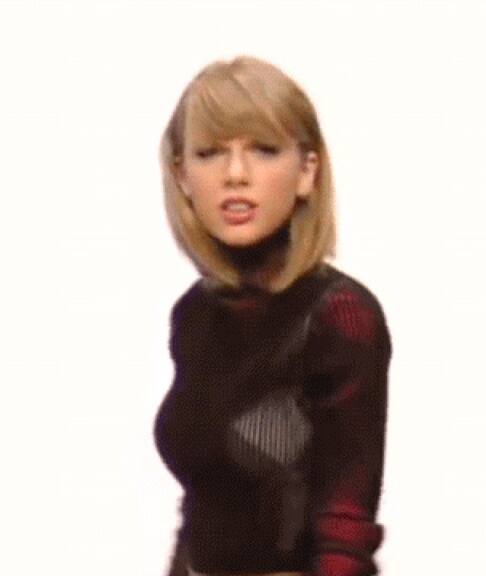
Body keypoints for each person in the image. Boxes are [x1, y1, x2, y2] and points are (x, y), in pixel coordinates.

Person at [153, 55, 393, 576]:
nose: (235, 175)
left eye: (263, 150)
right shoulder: (194, 316)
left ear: (307, 170)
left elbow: (346, 527)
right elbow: (201, 508)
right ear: (182, 175)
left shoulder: (340, 316)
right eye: (210, 153)